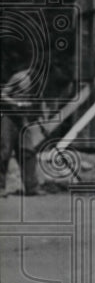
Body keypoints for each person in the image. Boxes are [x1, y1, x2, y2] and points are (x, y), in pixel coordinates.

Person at [0, 68, 46, 196]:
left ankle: (32, 187)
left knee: (28, 152)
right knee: (4, 151)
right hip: (8, 117)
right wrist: (18, 103)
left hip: (22, 119)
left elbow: (40, 101)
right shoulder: (19, 77)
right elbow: (3, 95)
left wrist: (42, 120)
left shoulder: (40, 82)